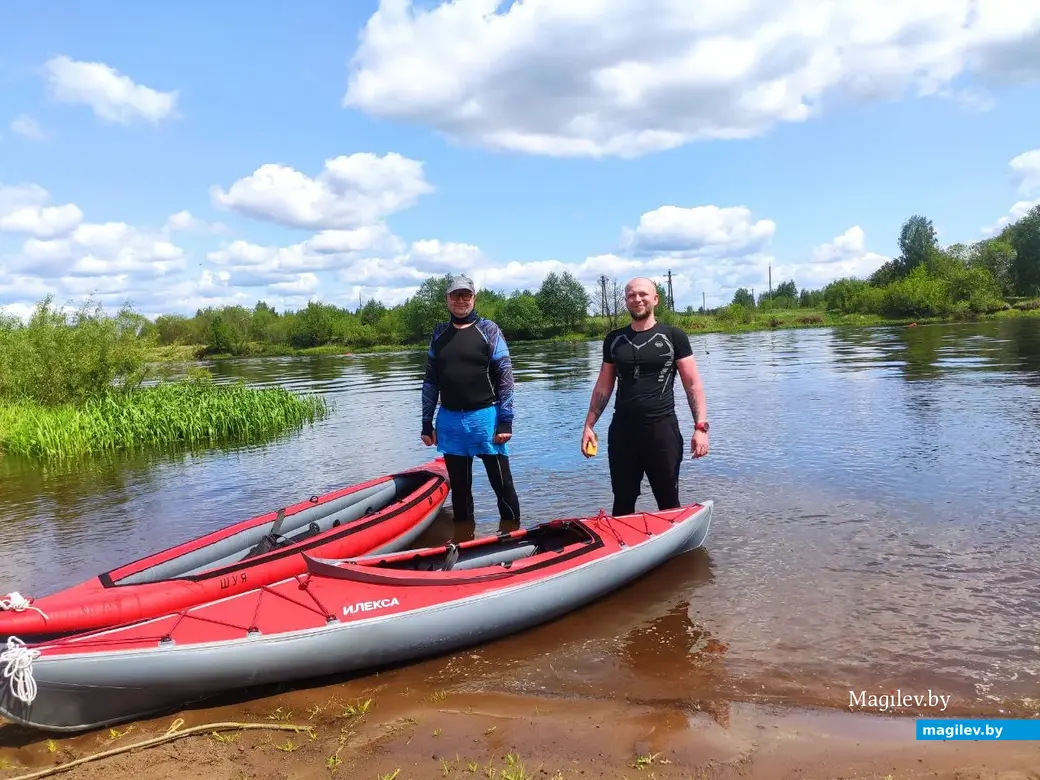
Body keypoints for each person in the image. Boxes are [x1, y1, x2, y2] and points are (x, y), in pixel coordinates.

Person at [580, 276, 709, 516]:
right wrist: (589, 425)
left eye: (643, 294)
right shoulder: (614, 339)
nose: (637, 299)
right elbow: (603, 387)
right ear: (626, 301)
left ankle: (674, 549)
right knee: (622, 501)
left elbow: (693, 385)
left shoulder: (674, 336)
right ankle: (624, 550)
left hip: (662, 430)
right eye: (631, 295)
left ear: (655, 299)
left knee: (668, 500)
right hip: (623, 432)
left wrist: (700, 428)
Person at [421, 274, 521, 531]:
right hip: (450, 421)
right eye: (456, 295)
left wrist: (505, 421)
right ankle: (464, 543)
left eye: (466, 295)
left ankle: (512, 537)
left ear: (474, 298)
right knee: (461, 493)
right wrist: (426, 422)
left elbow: (506, 377)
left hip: (486, 418)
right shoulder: (439, 333)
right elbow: (431, 380)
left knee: (503, 486)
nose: (461, 300)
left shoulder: (489, 330)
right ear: (447, 299)